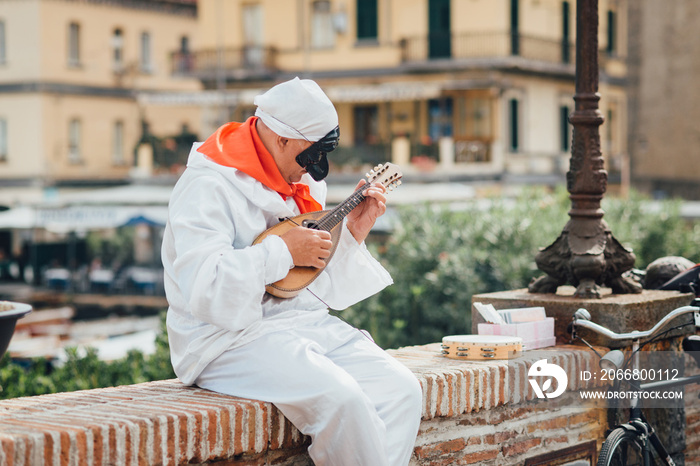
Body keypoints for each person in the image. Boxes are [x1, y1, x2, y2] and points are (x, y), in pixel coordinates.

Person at [161, 77, 422, 466]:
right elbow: (205, 287)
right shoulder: (207, 185)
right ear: (282, 139)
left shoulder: (301, 182)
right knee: (342, 399)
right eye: (309, 156)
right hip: (223, 340)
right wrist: (281, 251)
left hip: (297, 325)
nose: (312, 171)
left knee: (402, 389)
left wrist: (351, 233)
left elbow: (307, 284)